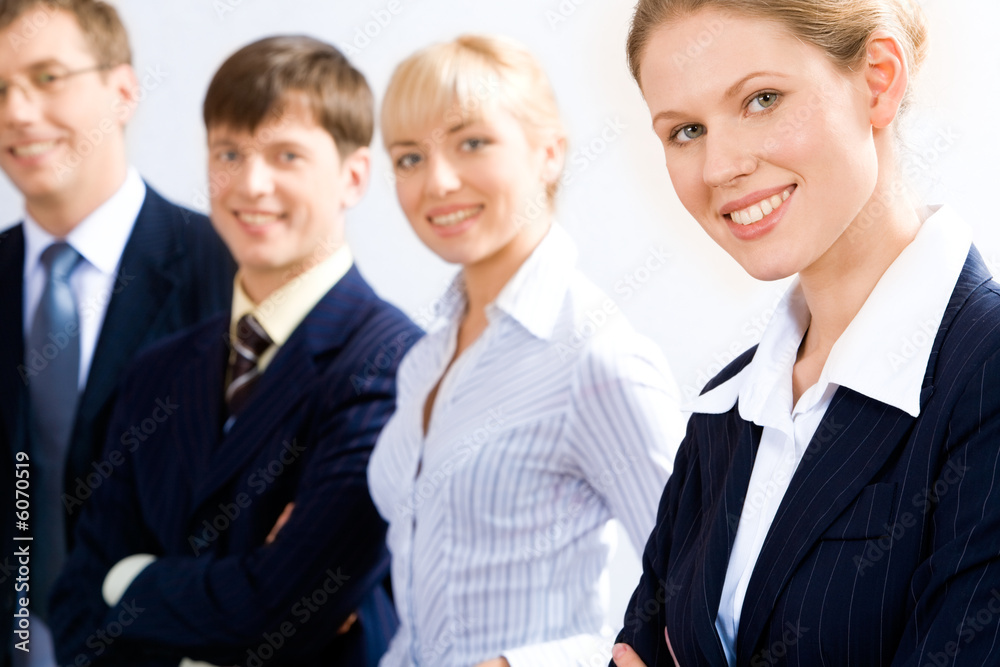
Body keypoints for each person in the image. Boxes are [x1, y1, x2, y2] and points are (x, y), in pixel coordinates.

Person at [610, 1, 1000, 665]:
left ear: (879, 77)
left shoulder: (982, 371)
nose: (719, 167)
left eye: (762, 99)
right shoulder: (727, 405)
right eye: (685, 131)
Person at [50, 35, 421, 666]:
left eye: (286, 156)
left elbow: (280, 609)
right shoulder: (159, 371)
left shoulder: (391, 366)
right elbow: (75, 606)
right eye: (229, 152)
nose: (251, 183)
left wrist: (130, 582)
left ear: (353, 176)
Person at [368, 34, 685, 667]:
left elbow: (700, 600)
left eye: (472, 142)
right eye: (408, 158)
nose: (438, 181)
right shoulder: (424, 360)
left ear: (549, 153)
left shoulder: (595, 359)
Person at [0, 0, 234, 664]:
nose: (17, 111)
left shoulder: (226, 267)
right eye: (0, 89)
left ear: (123, 91)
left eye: (48, 77)